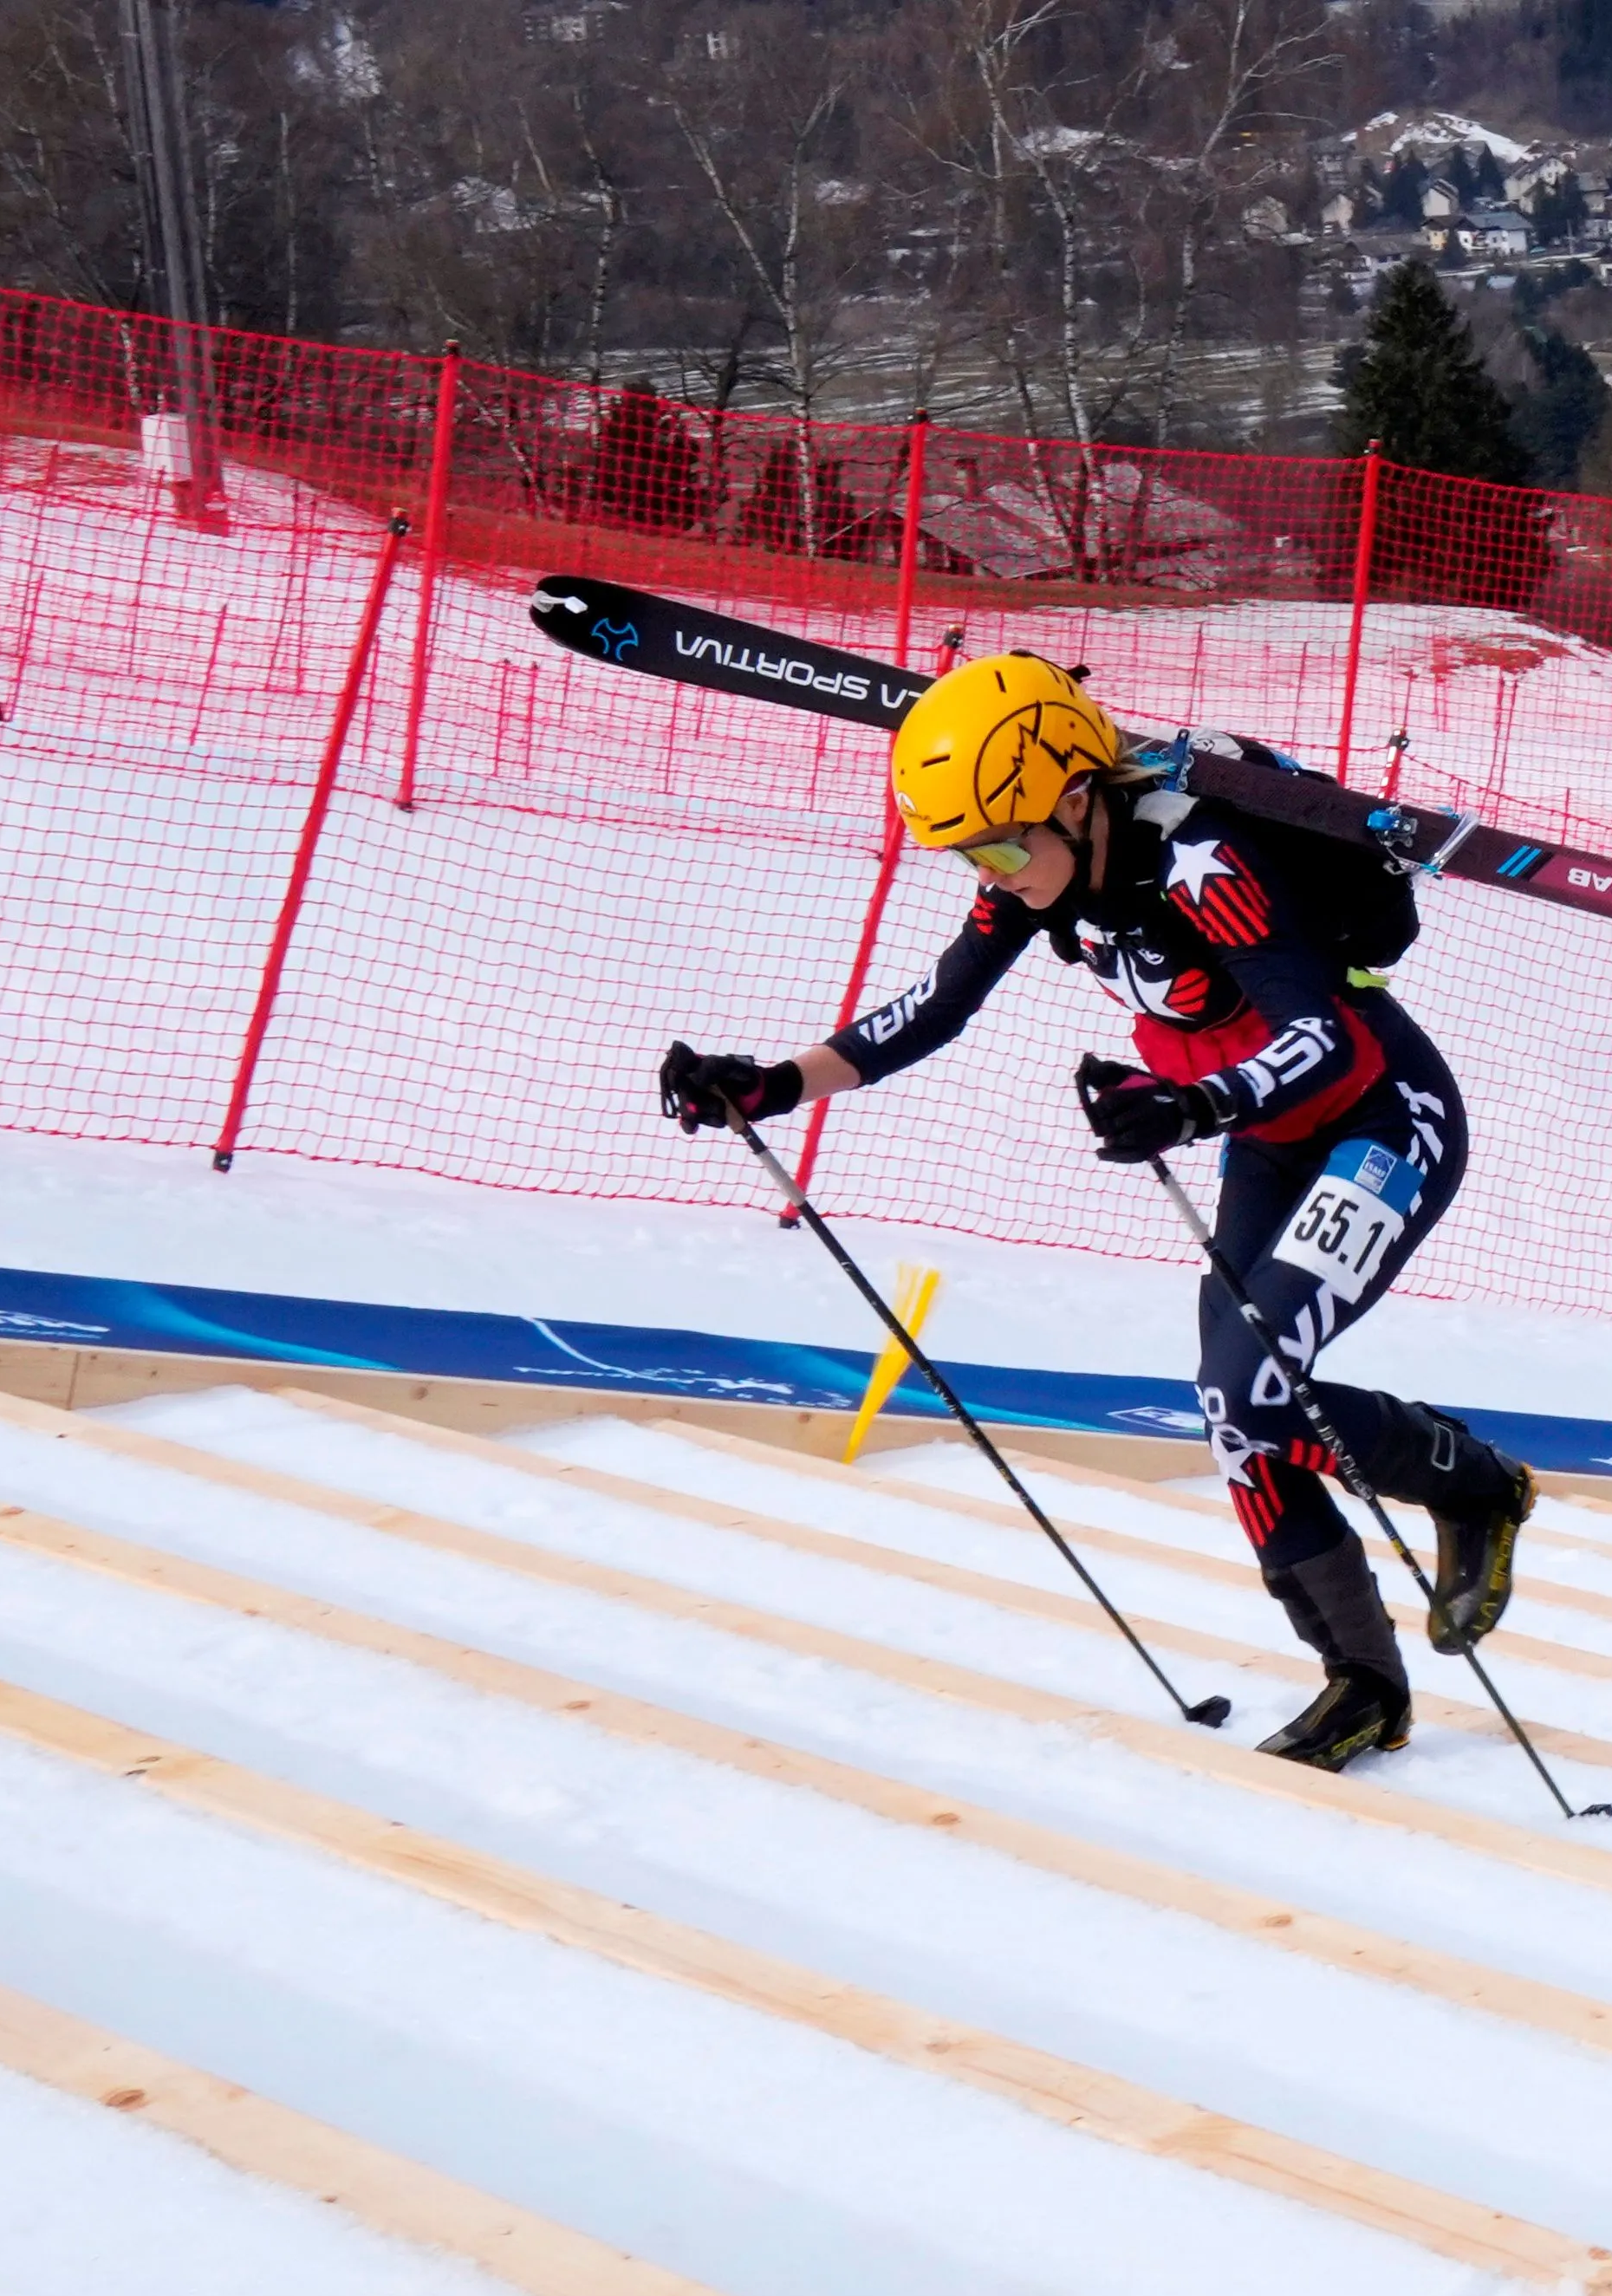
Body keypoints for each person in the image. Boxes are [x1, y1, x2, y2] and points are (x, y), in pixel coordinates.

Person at [656, 653, 1532, 1772]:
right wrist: (772, 1084)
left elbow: (1321, 1035)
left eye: (999, 847)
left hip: (1383, 1121)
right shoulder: (1048, 868)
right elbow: (935, 1007)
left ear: (1076, 799)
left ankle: (1476, 1485)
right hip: (1271, 1138)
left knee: (1255, 1388)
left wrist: (1188, 1105)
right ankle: (1363, 1681)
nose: (991, 873)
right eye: (970, 854)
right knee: (1233, 1407)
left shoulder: (1204, 862)